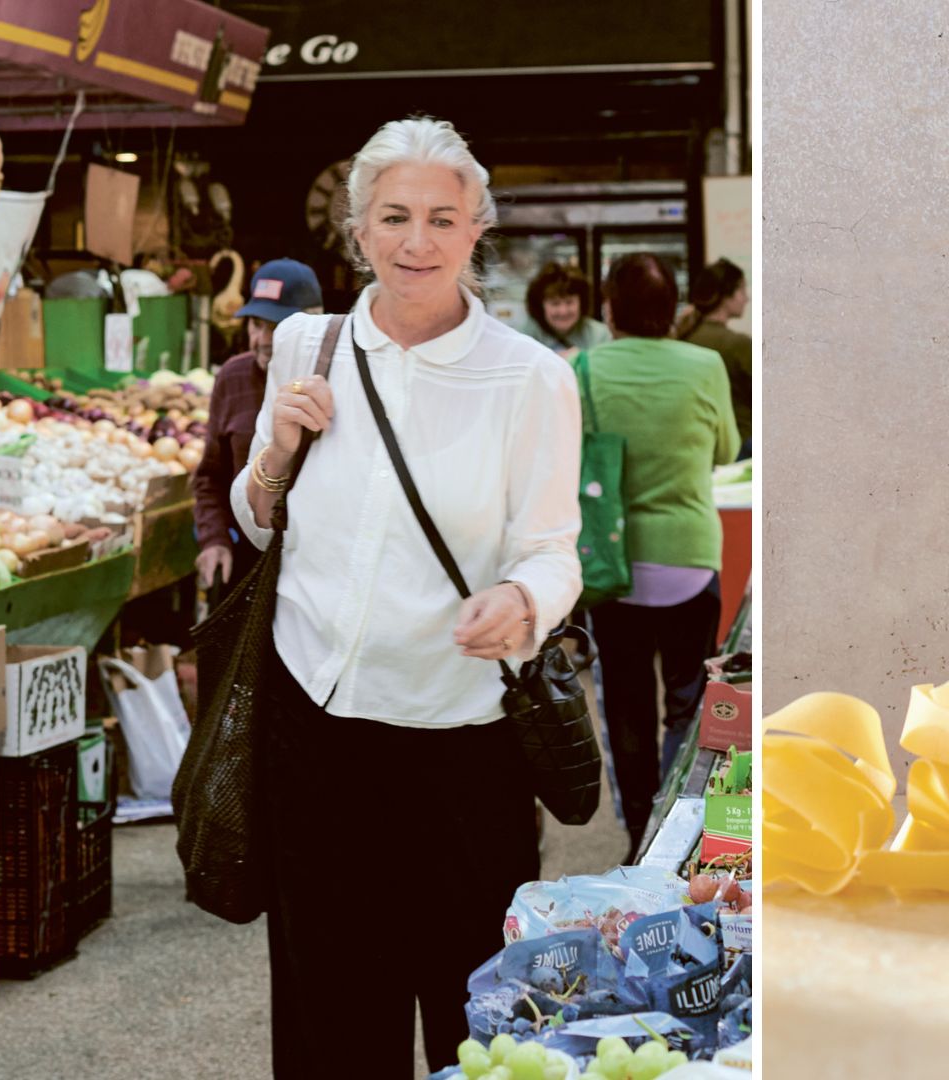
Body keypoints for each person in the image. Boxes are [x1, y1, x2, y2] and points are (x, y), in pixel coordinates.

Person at [228, 116, 582, 1078]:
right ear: (358, 230)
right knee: (328, 1008)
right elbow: (259, 520)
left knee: (471, 1010)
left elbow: (556, 552)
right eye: (393, 217)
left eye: (440, 218)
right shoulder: (307, 344)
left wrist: (521, 597)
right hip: (318, 728)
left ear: (478, 230)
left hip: (462, 743)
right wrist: (276, 457)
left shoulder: (530, 378)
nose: (415, 242)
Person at [579, 253, 739, 852]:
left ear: (609, 307)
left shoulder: (585, 368)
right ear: (673, 307)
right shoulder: (705, 364)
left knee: (625, 709)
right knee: (689, 706)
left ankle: (637, 839)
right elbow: (725, 449)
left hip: (612, 568)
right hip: (690, 564)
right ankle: (678, 837)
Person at [191, 258, 322, 594]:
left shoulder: (333, 379)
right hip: (246, 563)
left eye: (276, 327)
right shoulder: (233, 377)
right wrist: (214, 540)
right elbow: (210, 476)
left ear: (313, 324)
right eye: (255, 324)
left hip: (315, 570)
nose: (262, 339)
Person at [673, 258, 752, 456]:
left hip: (698, 443)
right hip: (741, 443)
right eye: (742, 290)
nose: (747, 298)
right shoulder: (738, 344)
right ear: (726, 296)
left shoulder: (684, 336)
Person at [516, 261, 611, 356]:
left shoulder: (600, 335)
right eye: (555, 303)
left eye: (569, 302)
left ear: (582, 303)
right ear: (540, 305)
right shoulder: (524, 336)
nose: (563, 311)